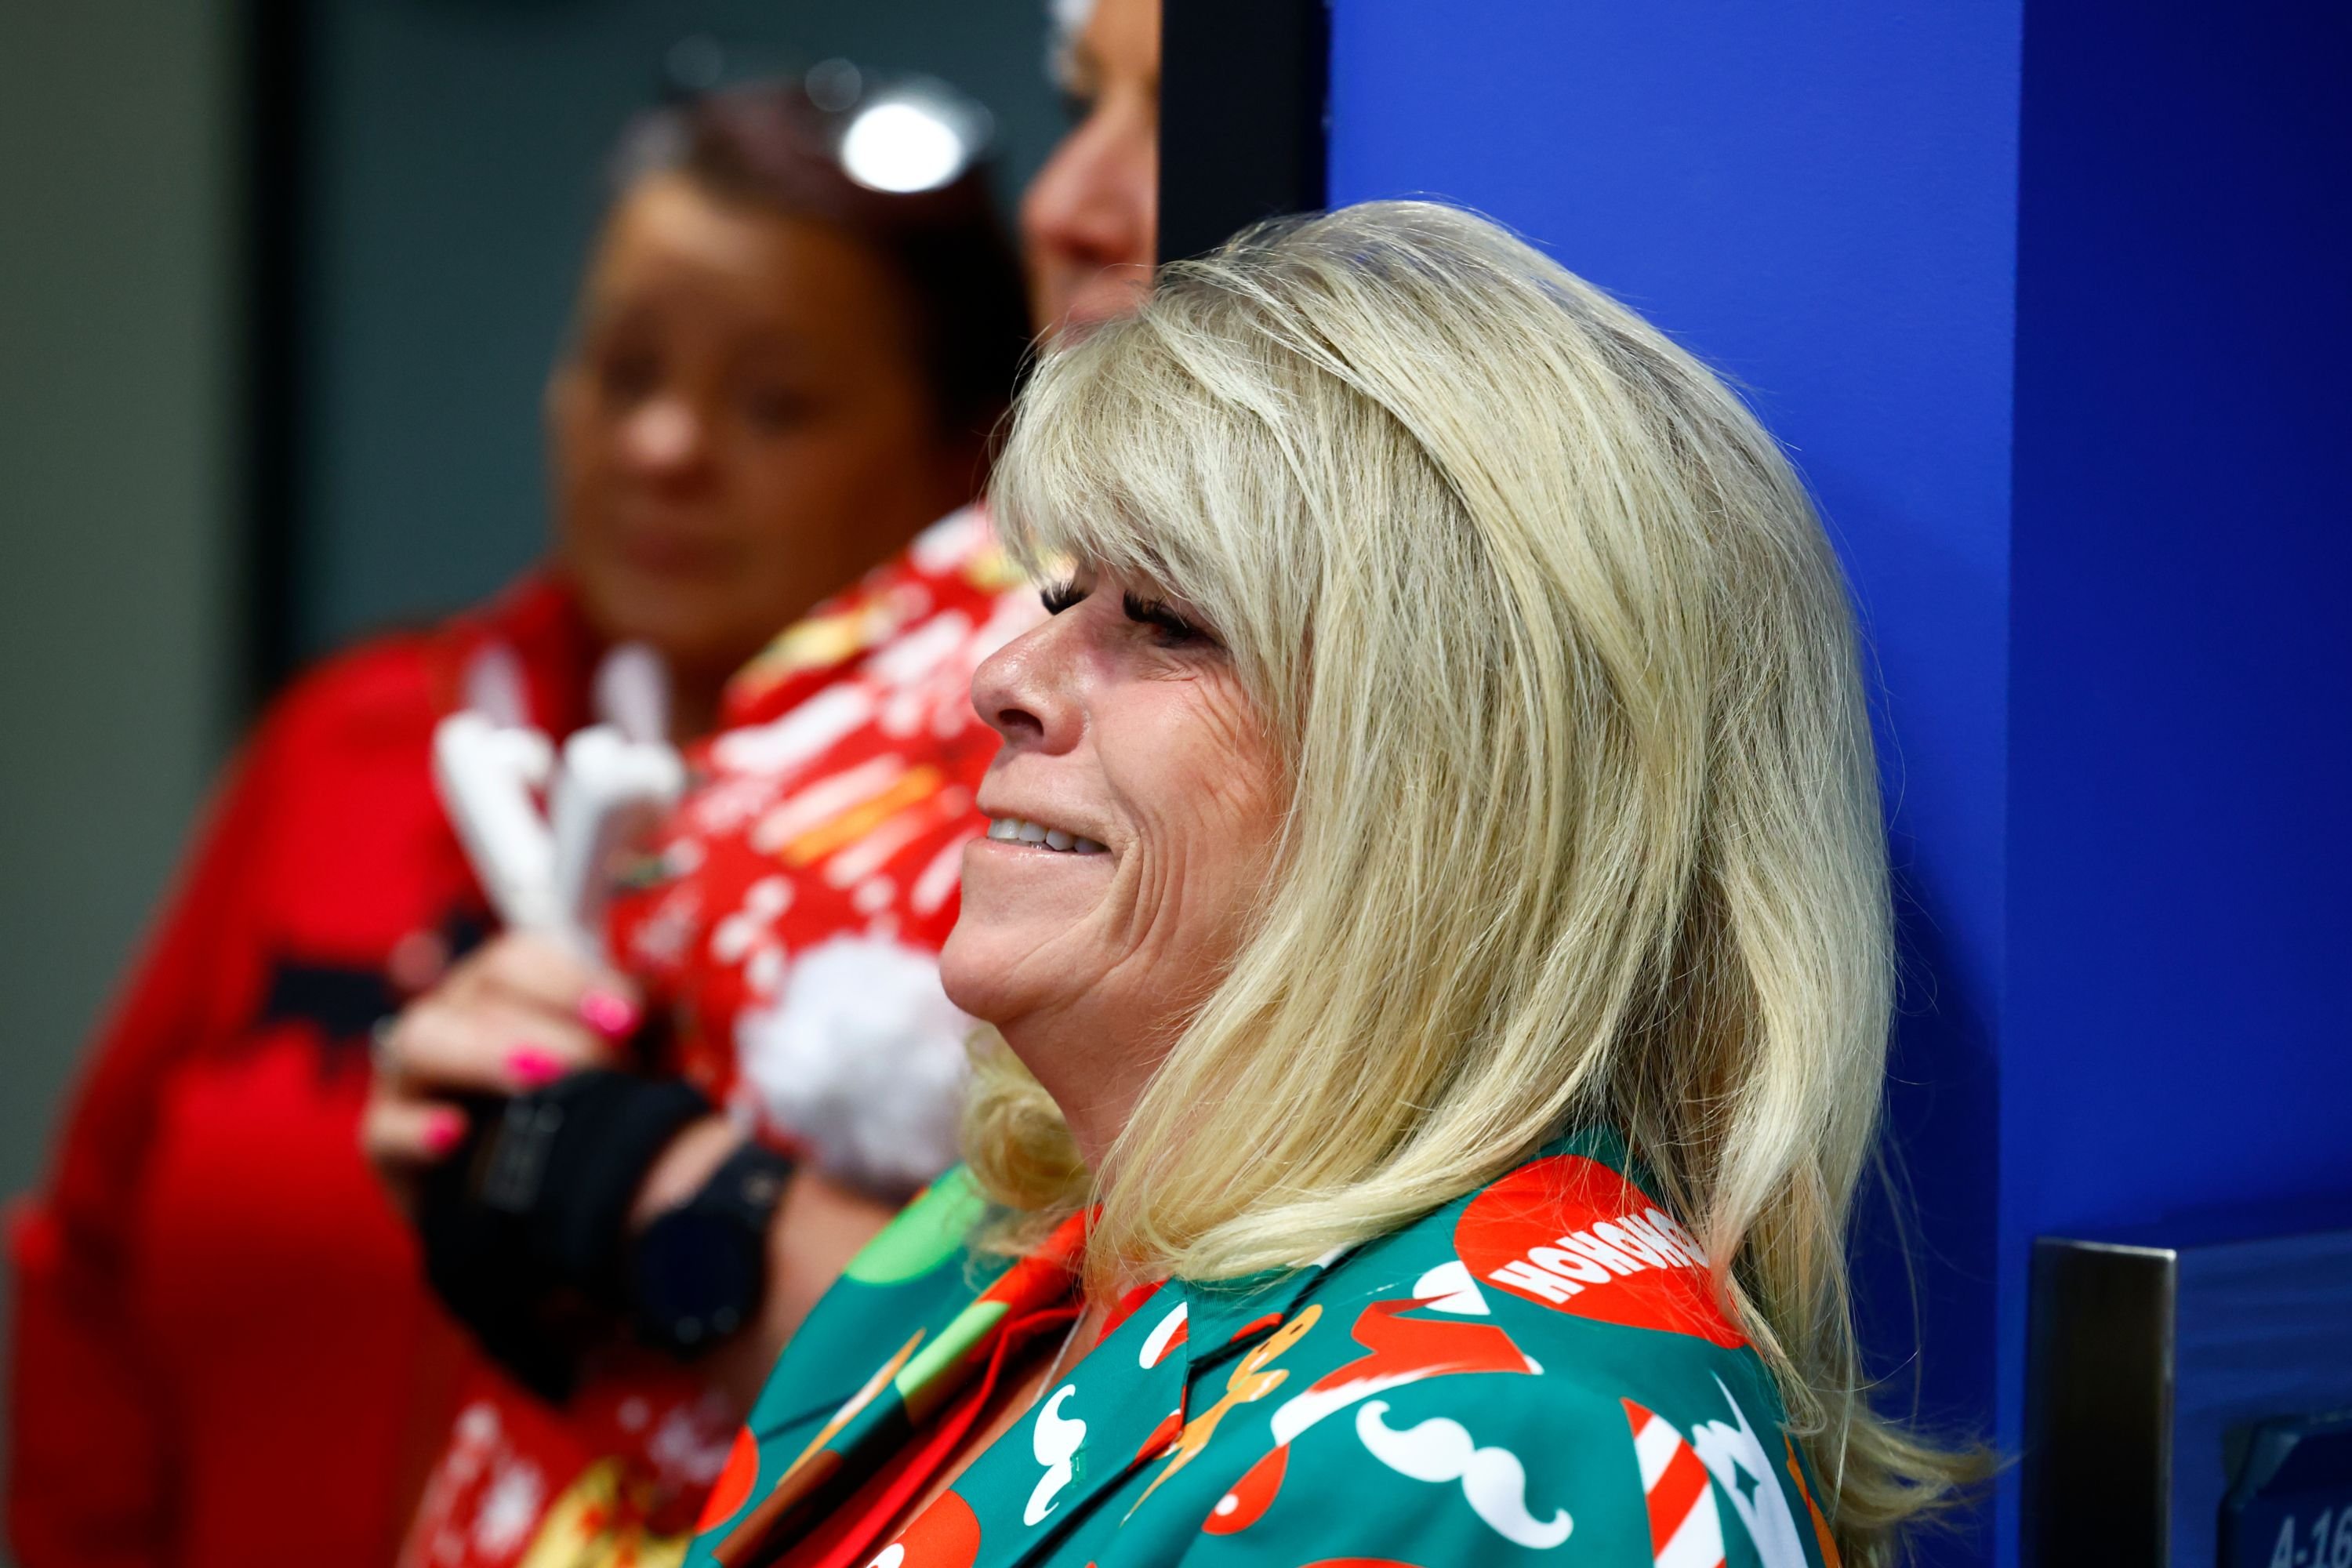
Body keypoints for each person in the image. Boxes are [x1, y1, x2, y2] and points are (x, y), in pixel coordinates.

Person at [680, 201, 1987, 1568]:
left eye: (1167, 621)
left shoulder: (1521, 1444)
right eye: (1065, 597)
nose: (1003, 678)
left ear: (1455, 785)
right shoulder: (1014, 1224)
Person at [4, 77, 1027, 1568]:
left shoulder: (1011, 826)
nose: (663, 445)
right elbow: (87, 1264)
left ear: (965, 456)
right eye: (623, 370)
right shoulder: (357, 742)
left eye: (775, 404)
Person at [368, 4, 1163, 1562]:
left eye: (777, 403)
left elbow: (1175, 1372)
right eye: (1082, 103)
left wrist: (661, 1197)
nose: (1072, 201)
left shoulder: (1253, 682)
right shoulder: (914, 605)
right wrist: (504, 1092)